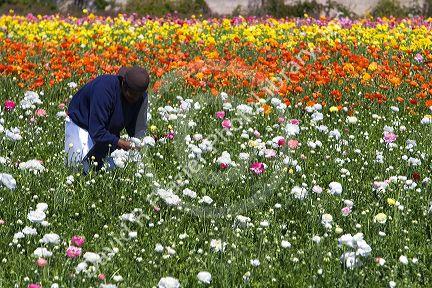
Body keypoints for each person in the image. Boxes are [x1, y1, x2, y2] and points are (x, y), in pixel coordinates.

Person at [65, 66, 150, 174]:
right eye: (132, 94)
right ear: (123, 83)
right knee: (78, 170)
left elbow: (137, 128)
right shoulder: (104, 89)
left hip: (107, 131)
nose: (135, 99)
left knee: (104, 172)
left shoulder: (140, 98)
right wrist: (121, 143)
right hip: (81, 125)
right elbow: (97, 131)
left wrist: (142, 141)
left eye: (139, 95)